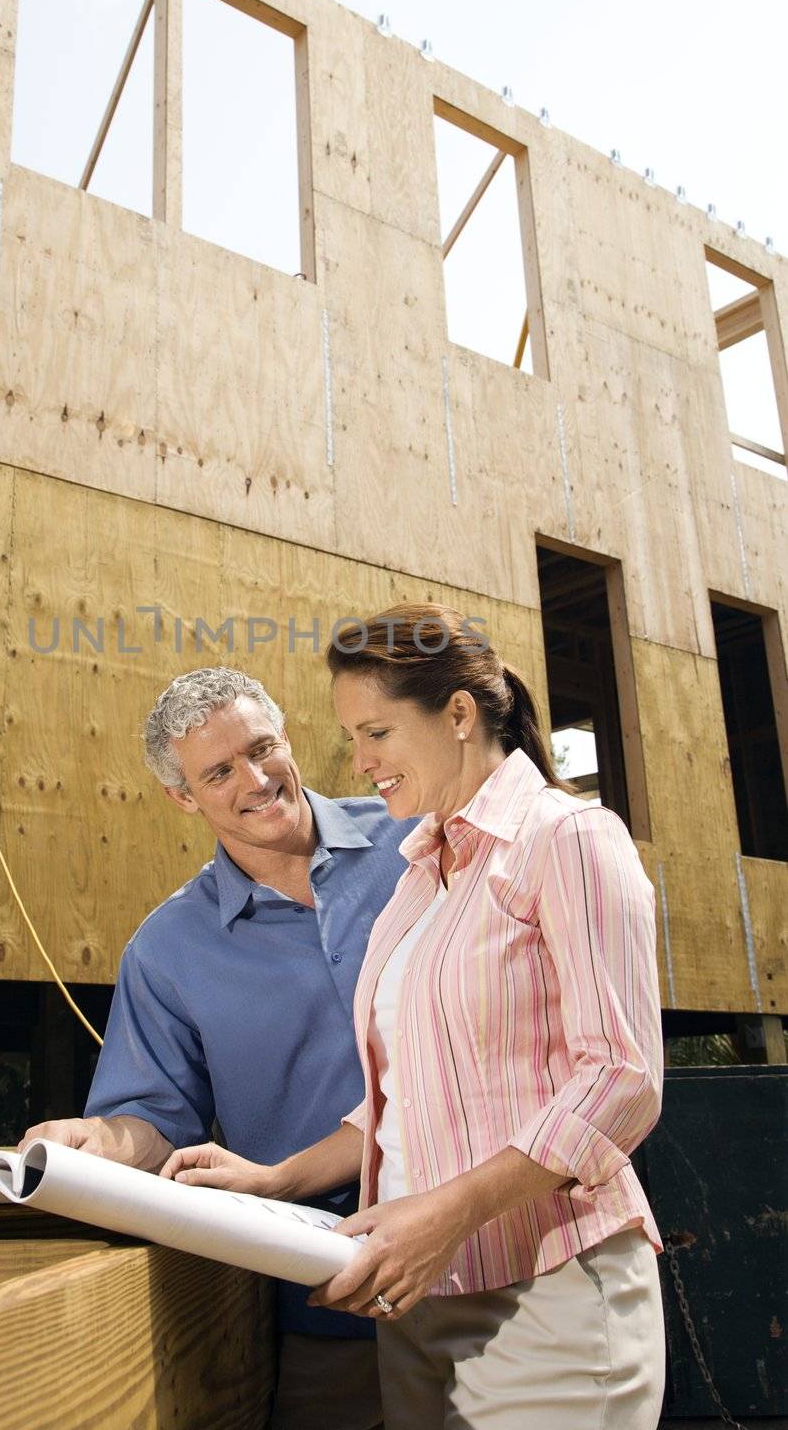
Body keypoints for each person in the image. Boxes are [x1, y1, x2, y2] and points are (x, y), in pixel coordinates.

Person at [163, 606, 666, 1430]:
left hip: (548, 1294)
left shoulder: (566, 839)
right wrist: (275, 1179)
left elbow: (621, 1081)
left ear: (459, 715)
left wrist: (446, 1216)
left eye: (377, 734)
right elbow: (406, 1098)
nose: (358, 764)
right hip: (420, 1303)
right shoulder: (422, 873)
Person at [20, 665, 417, 1430]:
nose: (257, 779)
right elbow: (154, 1120)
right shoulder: (167, 949)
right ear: (183, 796)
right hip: (334, 1310)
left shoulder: (416, 843)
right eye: (219, 771)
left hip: (496, 1269)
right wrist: (95, 1140)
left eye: (263, 748)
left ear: (288, 737)